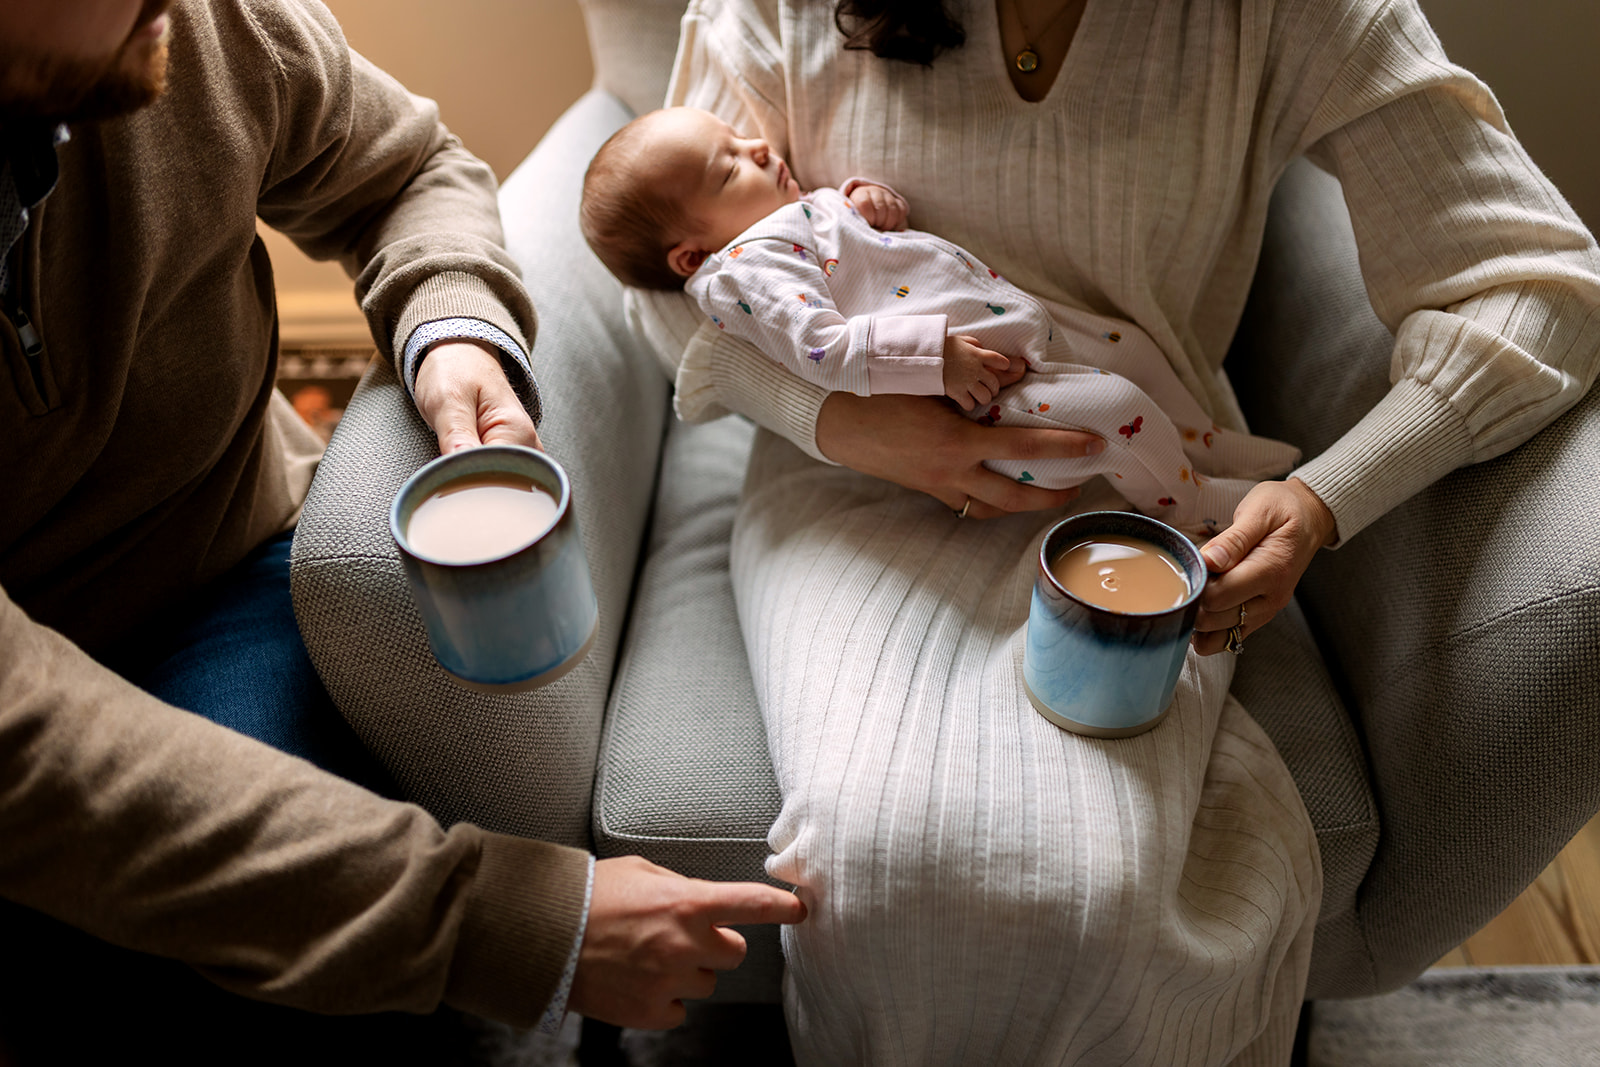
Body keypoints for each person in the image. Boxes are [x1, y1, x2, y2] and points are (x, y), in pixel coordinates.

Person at [622, 0, 1600, 1062]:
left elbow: (1539, 287)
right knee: (881, 859)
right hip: (853, 491)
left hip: (1139, 474)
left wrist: (1328, 498)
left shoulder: (1284, 18)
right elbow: (672, 293)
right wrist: (853, 424)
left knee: (1101, 876)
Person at [0, 0, 802, 1059]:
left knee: (324, 991)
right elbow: (28, 744)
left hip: (227, 562)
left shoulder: (199, 27)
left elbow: (406, 171)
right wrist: (507, 919)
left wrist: (451, 320)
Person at [582, 105, 1301, 534]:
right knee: (1112, 412)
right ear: (689, 257)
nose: (760, 148)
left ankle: (1203, 440)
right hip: (979, 400)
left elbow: (855, 248)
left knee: (1135, 348)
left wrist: (863, 202)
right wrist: (935, 359)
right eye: (728, 167)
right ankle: (1191, 502)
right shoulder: (741, 274)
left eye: (740, 137)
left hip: (1018, 329)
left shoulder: (785, 219)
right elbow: (825, 347)